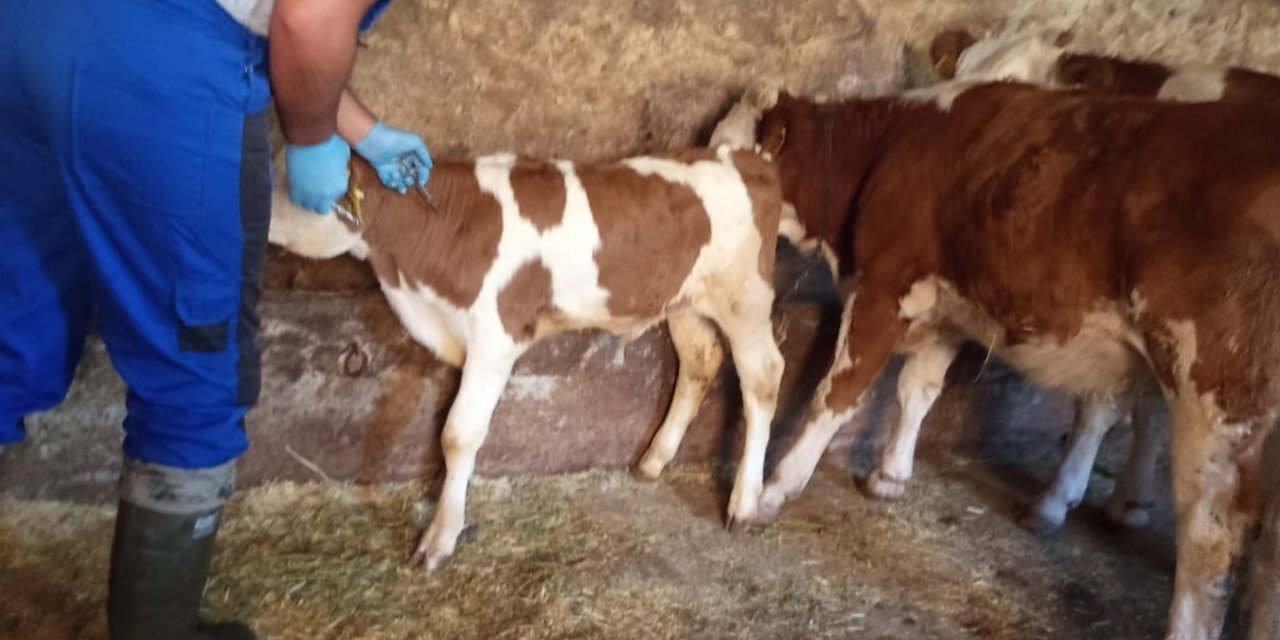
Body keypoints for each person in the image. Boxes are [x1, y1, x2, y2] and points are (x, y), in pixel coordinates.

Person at [0, 0, 431, 637]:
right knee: (198, 372)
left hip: (29, 28)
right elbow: (307, 18)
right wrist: (311, 141)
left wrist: (360, 129)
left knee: (17, 310)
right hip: (158, 65)